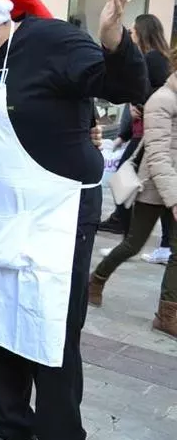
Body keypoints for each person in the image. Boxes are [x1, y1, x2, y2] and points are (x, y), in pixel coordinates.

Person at [0, 0, 148, 440]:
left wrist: (113, 37)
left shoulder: (51, 39)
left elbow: (122, 85)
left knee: (51, 331)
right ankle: (7, 422)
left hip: (55, 216)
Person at [89, 69, 177, 337]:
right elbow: (158, 154)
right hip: (153, 187)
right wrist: (173, 200)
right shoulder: (163, 99)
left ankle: (167, 315)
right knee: (133, 244)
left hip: (173, 186)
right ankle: (96, 280)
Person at [99, 13, 173, 264]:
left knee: (123, 181)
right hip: (147, 133)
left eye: (132, 31)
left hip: (149, 135)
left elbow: (152, 93)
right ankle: (161, 245)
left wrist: (138, 103)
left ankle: (129, 243)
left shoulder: (152, 59)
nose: (130, 35)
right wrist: (123, 134)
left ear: (142, 33)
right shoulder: (158, 58)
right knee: (160, 192)